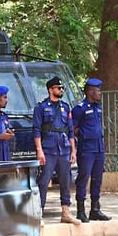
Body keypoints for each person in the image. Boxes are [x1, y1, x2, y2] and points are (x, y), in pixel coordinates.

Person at [33, 76, 79, 224]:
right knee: (44, 181)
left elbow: (70, 130)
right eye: (58, 88)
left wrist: (73, 151)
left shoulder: (65, 107)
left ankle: (66, 212)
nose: (61, 90)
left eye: (62, 88)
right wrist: (39, 150)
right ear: (50, 90)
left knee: (66, 182)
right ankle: (38, 215)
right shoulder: (41, 108)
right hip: (48, 150)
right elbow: (37, 131)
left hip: (64, 150)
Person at [72, 78, 111, 222]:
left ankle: (95, 209)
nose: (100, 93)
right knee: (83, 178)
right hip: (86, 149)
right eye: (98, 90)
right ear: (90, 91)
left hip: (99, 148)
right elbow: (73, 128)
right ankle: (80, 210)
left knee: (97, 178)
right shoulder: (80, 108)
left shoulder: (98, 107)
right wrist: (83, 136)